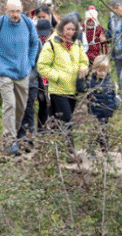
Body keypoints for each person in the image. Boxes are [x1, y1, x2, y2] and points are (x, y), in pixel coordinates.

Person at [0, 0, 41, 156]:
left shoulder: (27, 24)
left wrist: (29, 63)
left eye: (17, 11)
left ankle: (13, 136)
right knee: (10, 105)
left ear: (22, 9)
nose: (15, 15)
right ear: (5, 9)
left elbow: (35, 43)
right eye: (12, 11)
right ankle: (9, 142)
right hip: (4, 72)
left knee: (20, 107)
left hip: (22, 72)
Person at [36, 16, 90, 163]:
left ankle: (55, 149)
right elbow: (42, 66)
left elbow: (84, 61)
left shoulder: (77, 44)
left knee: (63, 120)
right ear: (61, 28)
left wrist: (83, 68)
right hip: (57, 89)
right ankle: (70, 152)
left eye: (73, 29)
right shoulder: (51, 44)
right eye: (68, 29)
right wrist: (58, 77)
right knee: (66, 120)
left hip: (73, 89)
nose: (70, 32)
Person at [85, 54, 118, 154]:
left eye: (104, 71)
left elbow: (113, 96)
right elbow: (88, 97)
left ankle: (105, 149)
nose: (102, 73)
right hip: (96, 112)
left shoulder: (110, 83)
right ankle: (93, 149)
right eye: (99, 70)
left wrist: (113, 106)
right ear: (95, 69)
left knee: (103, 131)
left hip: (106, 111)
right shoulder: (92, 82)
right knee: (96, 131)